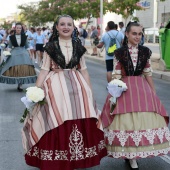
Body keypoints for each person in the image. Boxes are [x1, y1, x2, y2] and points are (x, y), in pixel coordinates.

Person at [22, 14, 107, 170]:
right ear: (57, 27)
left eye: (69, 24)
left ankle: (74, 158)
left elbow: (85, 71)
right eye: (62, 24)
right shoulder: (50, 47)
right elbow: (44, 70)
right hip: (55, 86)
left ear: (74, 27)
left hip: (77, 86)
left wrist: (89, 92)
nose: (66, 27)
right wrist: (35, 90)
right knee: (56, 117)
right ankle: (57, 159)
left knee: (78, 117)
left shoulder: (79, 47)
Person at [101, 22, 170, 169]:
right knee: (127, 122)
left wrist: (153, 93)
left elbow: (148, 74)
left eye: (140, 34)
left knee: (141, 123)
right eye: (134, 33)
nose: (137, 37)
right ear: (127, 34)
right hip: (125, 88)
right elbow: (116, 75)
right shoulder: (119, 52)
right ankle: (130, 156)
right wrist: (114, 96)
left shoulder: (145, 51)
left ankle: (135, 155)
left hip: (141, 88)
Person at [0, 22, 37, 91]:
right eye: (17, 28)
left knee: (23, 68)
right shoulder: (11, 37)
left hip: (23, 53)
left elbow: (27, 47)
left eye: (20, 28)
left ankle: (20, 84)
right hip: (14, 52)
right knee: (15, 67)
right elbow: (10, 47)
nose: (19, 29)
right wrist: (6, 53)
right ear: (15, 29)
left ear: (21, 29)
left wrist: (30, 55)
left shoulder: (25, 36)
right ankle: (17, 82)